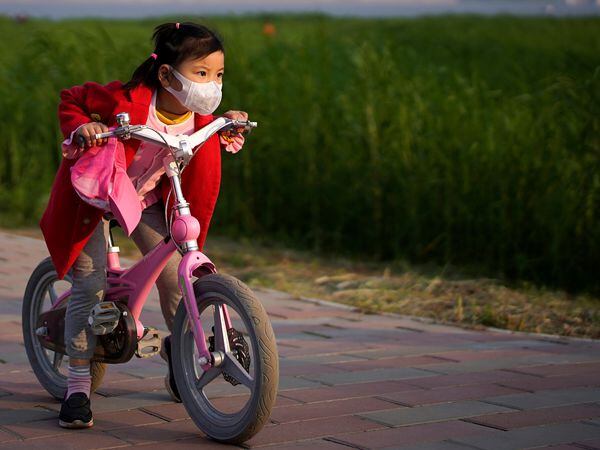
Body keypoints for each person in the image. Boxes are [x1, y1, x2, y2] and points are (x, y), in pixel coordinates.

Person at [39, 21, 248, 429]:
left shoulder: (197, 117)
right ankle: (79, 385)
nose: (211, 83)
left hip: (142, 199)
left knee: (174, 274)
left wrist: (227, 121)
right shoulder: (127, 100)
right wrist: (84, 126)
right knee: (90, 284)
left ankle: (180, 354)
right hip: (96, 196)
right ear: (167, 74)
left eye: (218, 75)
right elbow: (73, 98)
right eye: (201, 73)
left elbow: (202, 136)